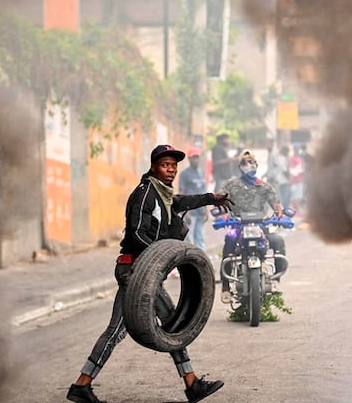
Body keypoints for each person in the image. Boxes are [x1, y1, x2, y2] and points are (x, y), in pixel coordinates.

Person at [67, 144, 232, 403]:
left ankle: (191, 383)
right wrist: (161, 255)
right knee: (117, 330)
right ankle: (81, 385)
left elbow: (180, 202)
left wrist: (212, 198)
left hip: (147, 274)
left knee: (172, 326)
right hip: (134, 271)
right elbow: (135, 234)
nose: (171, 170)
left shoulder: (163, 196)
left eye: (174, 166)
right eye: (165, 165)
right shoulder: (145, 194)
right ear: (154, 167)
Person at [217, 150, 287, 303]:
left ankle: (276, 280)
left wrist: (280, 214)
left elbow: (276, 204)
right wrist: (222, 213)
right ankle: (226, 286)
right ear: (239, 167)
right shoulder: (231, 185)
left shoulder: (264, 186)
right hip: (237, 225)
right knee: (229, 243)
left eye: (251, 163)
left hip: (261, 226)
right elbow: (221, 201)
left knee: (278, 241)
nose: (248, 166)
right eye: (244, 163)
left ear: (257, 166)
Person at [179, 146, 208, 251]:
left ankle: (201, 263)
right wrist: (185, 212)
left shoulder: (201, 173)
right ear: (189, 159)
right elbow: (182, 193)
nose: (195, 159)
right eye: (193, 157)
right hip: (190, 212)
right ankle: (190, 263)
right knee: (189, 240)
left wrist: (206, 210)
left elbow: (204, 192)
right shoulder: (184, 174)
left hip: (200, 212)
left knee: (200, 238)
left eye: (197, 157)